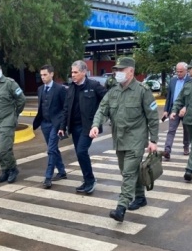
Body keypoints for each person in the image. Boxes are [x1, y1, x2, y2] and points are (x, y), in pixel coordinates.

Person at [90, 57, 159, 222]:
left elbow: (153, 117)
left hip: (136, 139)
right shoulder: (113, 91)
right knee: (128, 171)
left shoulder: (142, 90)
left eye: (121, 70)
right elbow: (102, 109)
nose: (117, 73)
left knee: (128, 173)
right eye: (116, 70)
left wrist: (153, 140)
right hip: (120, 140)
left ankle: (121, 207)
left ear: (131, 71)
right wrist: (95, 125)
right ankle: (140, 197)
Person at [58, 60, 106, 194]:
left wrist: (101, 119)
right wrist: (62, 126)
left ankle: (90, 180)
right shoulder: (71, 87)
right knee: (80, 154)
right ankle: (87, 180)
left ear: (84, 72)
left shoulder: (94, 86)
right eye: (72, 72)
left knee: (81, 151)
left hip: (88, 127)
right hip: (74, 127)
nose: (72, 75)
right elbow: (66, 108)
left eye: (75, 72)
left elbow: (107, 101)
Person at [33, 64, 68, 189]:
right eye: (41, 75)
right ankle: (62, 171)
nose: (42, 77)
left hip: (56, 124)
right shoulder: (40, 89)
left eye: (45, 74)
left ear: (51, 74)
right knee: (53, 149)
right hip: (45, 123)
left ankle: (48, 177)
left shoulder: (60, 89)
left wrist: (62, 126)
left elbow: (65, 109)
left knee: (51, 149)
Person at [162, 62, 191, 160]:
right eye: (177, 71)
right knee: (171, 130)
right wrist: (166, 110)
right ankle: (167, 150)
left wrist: (186, 107)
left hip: (186, 109)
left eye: (181, 71)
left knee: (186, 130)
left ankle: (186, 146)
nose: (178, 73)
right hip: (174, 109)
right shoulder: (173, 80)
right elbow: (169, 96)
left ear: (186, 71)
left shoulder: (190, 81)